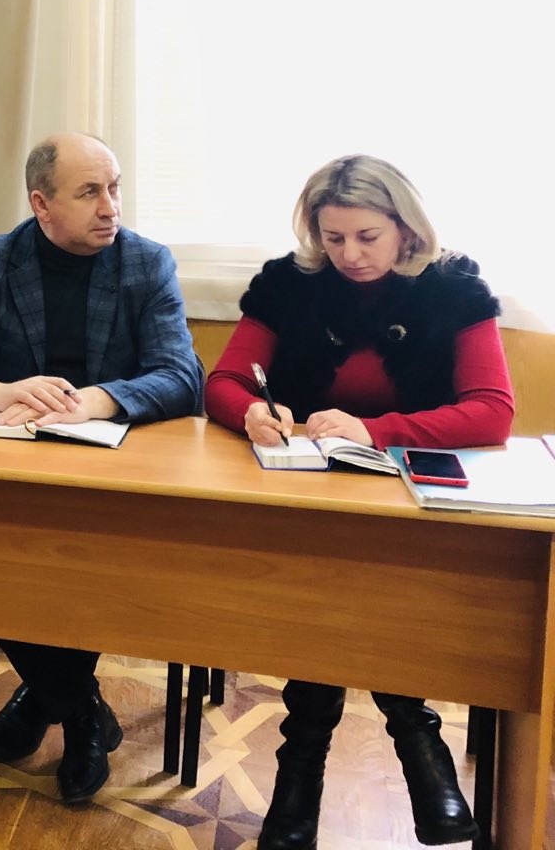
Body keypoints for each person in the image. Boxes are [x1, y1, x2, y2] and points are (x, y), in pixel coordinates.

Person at [205, 154, 511, 849]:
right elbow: (223, 382)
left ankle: (299, 778)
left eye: (367, 236)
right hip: (308, 496)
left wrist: (375, 430)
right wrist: (251, 412)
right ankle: (419, 745)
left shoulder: (453, 286)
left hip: (412, 501)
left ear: (406, 228)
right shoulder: (289, 283)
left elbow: (492, 412)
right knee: (332, 583)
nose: (349, 255)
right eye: (333, 237)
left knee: (347, 591)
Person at [0, 132, 204, 804]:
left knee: (81, 561)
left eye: (115, 188)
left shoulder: (145, 262)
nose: (111, 207)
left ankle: (46, 701)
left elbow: (182, 377)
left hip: (113, 475)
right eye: (90, 192)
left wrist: (94, 401)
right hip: (14, 469)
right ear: (41, 205)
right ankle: (82, 708)